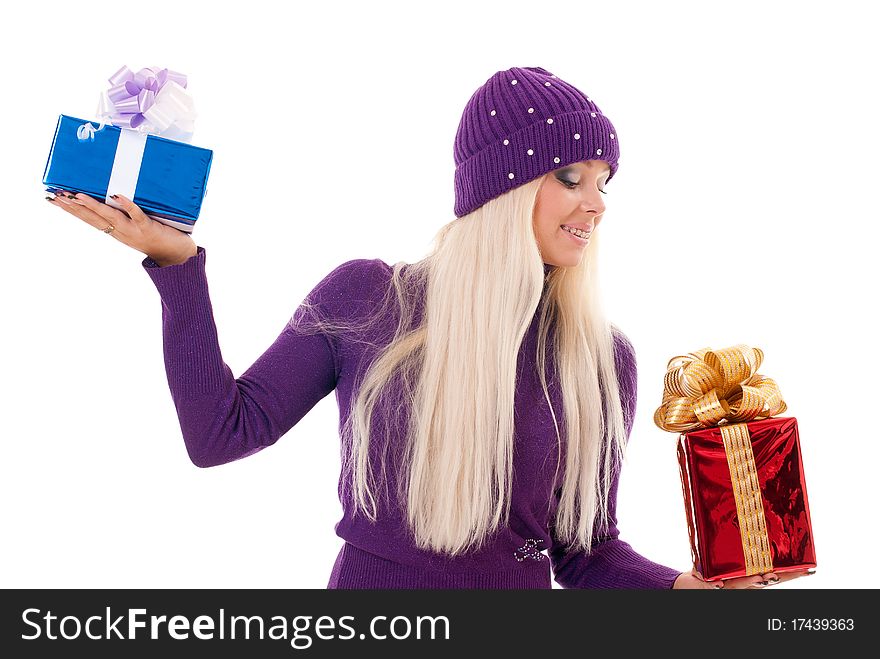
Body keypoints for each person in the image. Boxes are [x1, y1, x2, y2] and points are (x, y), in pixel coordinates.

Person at [47, 65, 812, 590]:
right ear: (503, 189)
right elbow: (220, 433)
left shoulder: (600, 358)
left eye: (605, 182)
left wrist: (683, 588)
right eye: (571, 177)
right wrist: (179, 268)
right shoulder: (367, 298)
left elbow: (587, 552)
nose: (597, 204)